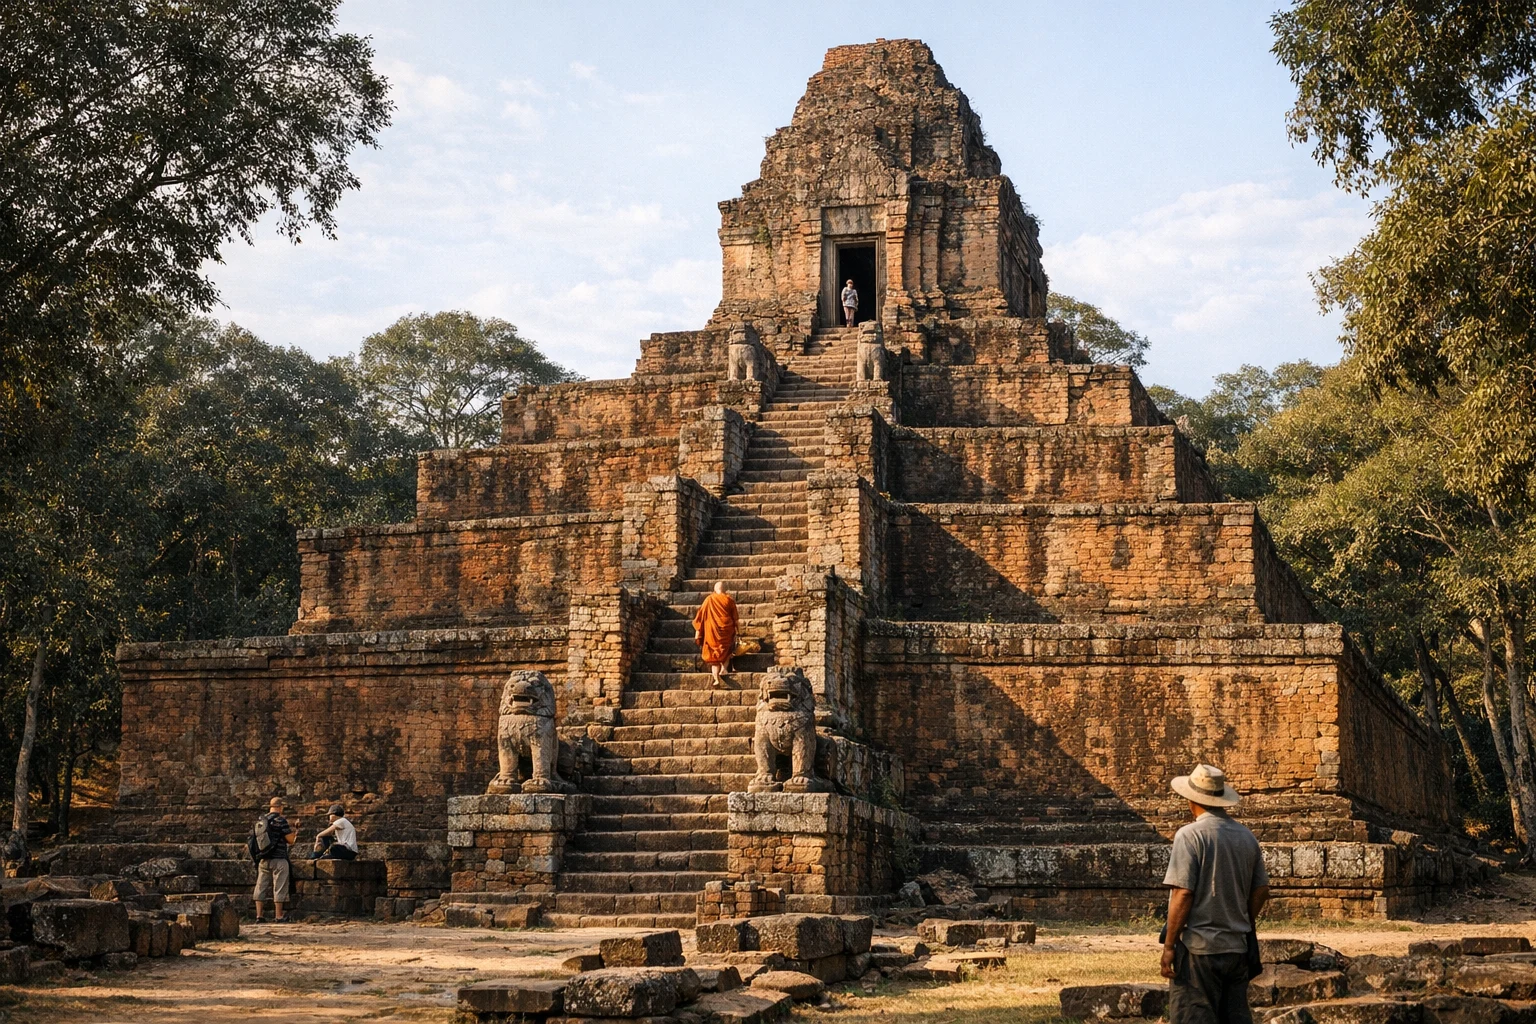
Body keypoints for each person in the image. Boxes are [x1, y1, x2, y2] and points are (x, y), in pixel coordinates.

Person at [1161, 763, 1270, 1024]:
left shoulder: (1189, 836)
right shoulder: (1246, 837)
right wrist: (1243, 918)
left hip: (1199, 948)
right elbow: (1262, 889)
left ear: (1191, 800)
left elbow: (1183, 893)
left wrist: (1169, 945)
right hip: (1236, 947)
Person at [253, 796, 299, 923]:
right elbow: (291, 840)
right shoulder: (280, 821)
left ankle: (259, 916)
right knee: (279, 886)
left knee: (261, 886)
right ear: (281, 807)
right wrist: (296, 830)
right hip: (279, 859)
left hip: (263, 859)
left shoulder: (261, 821)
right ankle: (278, 916)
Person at [692, 580, 738, 688]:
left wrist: (697, 632)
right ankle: (724, 669)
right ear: (725, 590)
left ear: (714, 590)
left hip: (712, 632)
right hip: (727, 630)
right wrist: (738, 630)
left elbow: (700, 617)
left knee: (714, 658)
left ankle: (716, 679)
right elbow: (735, 619)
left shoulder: (709, 600)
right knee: (726, 651)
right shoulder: (729, 600)